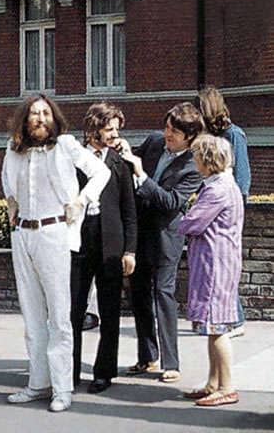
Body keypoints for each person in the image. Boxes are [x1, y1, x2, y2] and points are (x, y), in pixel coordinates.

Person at [1, 94, 110, 412]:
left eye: (45, 112)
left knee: (60, 317)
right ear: (25, 119)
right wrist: (11, 202)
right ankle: (38, 383)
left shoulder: (65, 145)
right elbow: (7, 181)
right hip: (23, 234)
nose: (39, 118)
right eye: (33, 113)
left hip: (55, 233)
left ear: (54, 117)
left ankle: (62, 388)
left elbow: (100, 173)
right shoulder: (14, 148)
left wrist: (81, 200)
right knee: (32, 314)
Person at [121, 102, 204, 382]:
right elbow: (130, 159)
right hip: (140, 232)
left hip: (166, 236)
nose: (167, 135)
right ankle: (147, 357)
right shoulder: (155, 142)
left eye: (174, 132)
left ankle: (172, 363)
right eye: (167, 128)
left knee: (164, 295)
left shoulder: (193, 166)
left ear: (189, 137)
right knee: (139, 293)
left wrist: (142, 176)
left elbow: (171, 203)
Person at [71, 101, 137, 394]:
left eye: (116, 129)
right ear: (92, 129)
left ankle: (103, 372)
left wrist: (130, 250)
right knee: (73, 311)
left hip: (111, 243)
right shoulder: (73, 160)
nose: (113, 134)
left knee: (110, 312)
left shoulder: (119, 162)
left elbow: (129, 210)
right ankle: (68, 371)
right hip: (78, 242)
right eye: (108, 129)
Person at [179, 134, 244, 406]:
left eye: (196, 155)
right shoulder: (222, 184)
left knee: (217, 326)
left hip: (215, 263)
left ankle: (227, 386)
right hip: (217, 261)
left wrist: (183, 216)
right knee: (212, 325)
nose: (193, 160)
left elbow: (192, 223)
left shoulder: (217, 190)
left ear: (207, 159)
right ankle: (213, 382)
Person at [196, 86, 251, 338]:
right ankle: (229, 318)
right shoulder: (208, 136)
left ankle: (235, 319)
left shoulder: (234, 135)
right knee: (218, 268)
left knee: (225, 266)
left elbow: (241, 178)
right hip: (214, 203)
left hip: (227, 208)